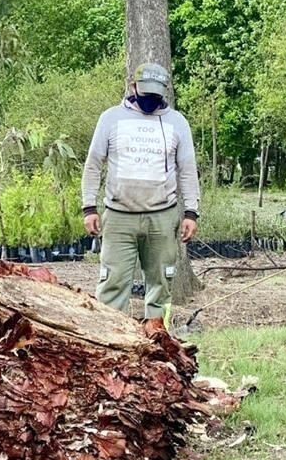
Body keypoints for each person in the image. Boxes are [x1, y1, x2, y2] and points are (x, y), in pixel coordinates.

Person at [81, 62, 200, 326]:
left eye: (155, 95)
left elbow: (188, 170)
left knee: (161, 283)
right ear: (133, 86)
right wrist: (89, 207)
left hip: (162, 216)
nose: (150, 100)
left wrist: (191, 212)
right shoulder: (110, 118)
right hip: (118, 216)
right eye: (146, 94)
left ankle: (158, 339)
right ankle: (110, 340)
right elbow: (93, 164)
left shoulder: (177, 123)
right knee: (112, 282)